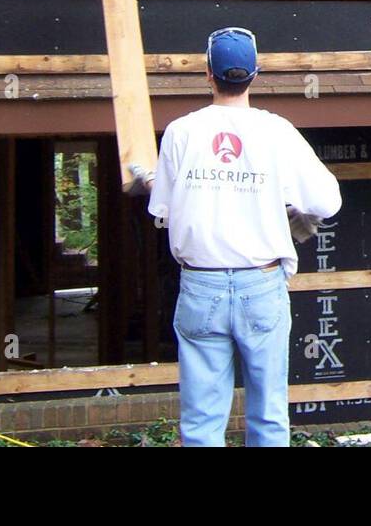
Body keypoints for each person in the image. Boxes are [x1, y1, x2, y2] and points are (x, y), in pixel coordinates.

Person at [143, 27, 342, 447]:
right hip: (262, 286)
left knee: (201, 423)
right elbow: (328, 202)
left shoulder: (180, 133)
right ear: (256, 74)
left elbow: (161, 210)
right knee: (269, 416)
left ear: (208, 75)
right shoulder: (277, 132)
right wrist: (282, 203)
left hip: (201, 286)